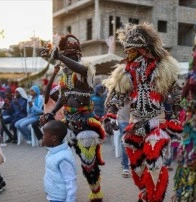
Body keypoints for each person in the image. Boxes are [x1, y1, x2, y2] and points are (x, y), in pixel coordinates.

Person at [103, 23, 182, 202]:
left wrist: (176, 117)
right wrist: (110, 116)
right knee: (137, 168)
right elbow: (115, 97)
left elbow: (177, 96)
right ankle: (146, 193)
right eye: (126, 50)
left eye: (130, 50)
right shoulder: (125, 72)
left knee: (154, 163)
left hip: (157, 123)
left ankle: (155, 198)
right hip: (134, 124)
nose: (127, 54)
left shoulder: (163, 68)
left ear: (142, 50)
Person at [43, 34, 105, 201]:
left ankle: (96, 191)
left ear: (78, 56)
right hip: (68, 121)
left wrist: (60, 56)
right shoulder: (65, 75)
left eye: (71, 56)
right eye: (65, 56)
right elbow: (63, 98)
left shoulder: (86, 69)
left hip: (85, 123)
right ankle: (60, 187)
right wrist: (51, 112)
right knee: (59, 155)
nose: (66, 60)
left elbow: (82, 70)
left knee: (88, 162)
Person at [42, 120, 77, 202]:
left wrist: (70, 199)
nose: (42, 137)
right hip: (53, 193)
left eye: (44, 135)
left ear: (53, 138)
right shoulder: (52, 151)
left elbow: (70, 180)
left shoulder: (63, 158)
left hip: (60, 197)